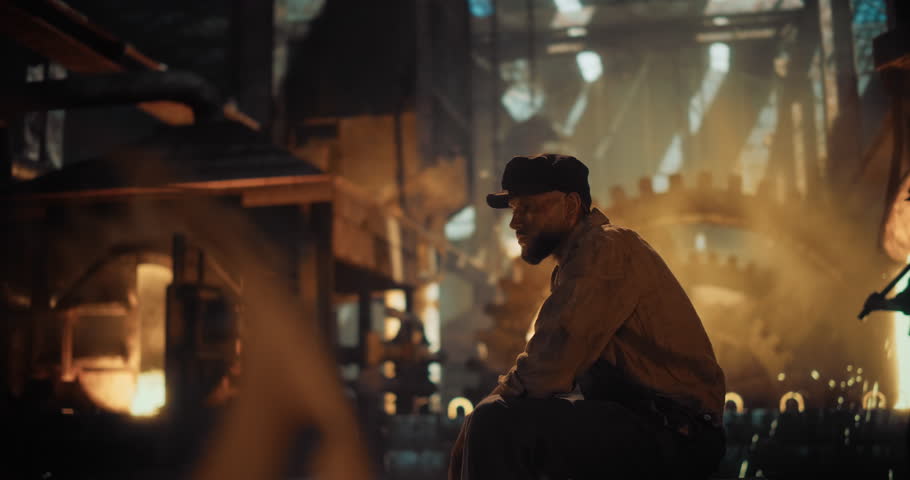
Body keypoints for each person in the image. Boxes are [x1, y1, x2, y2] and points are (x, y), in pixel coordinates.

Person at [449, 154, 727, 480]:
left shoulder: (603, 251)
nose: (515, 222)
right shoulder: (583, 260)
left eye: (529, 208)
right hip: (657, 427)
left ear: (570, 206)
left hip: (676, 435)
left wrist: (481, 417)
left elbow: (547, 368)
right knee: (500, 419)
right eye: (514, 208)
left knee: (494, 422)